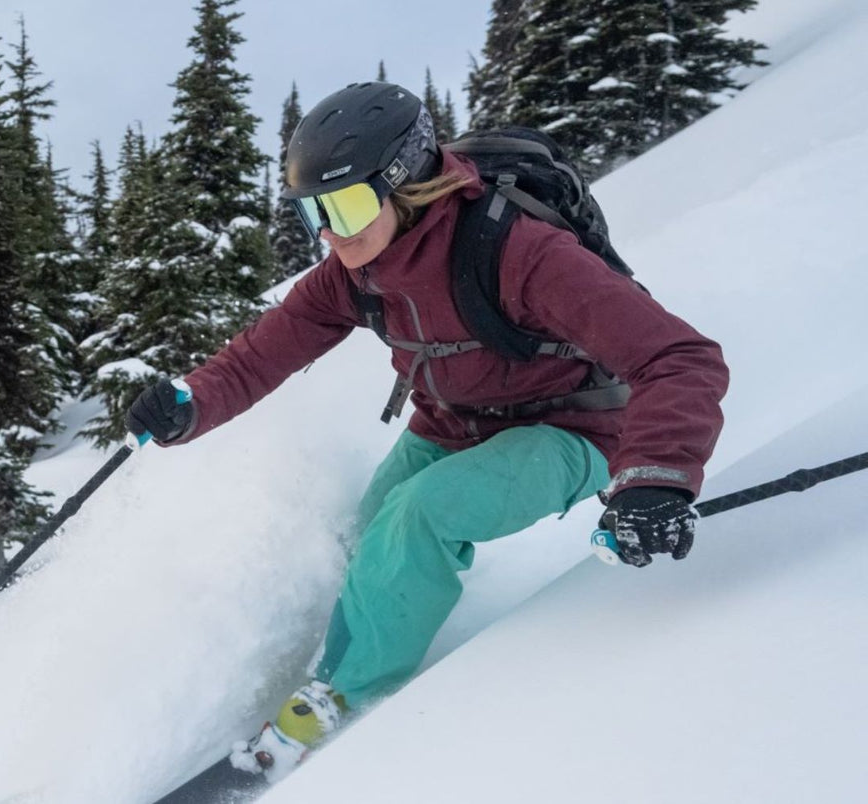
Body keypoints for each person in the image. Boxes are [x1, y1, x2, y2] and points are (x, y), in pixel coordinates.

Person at [124, 82, 728, 781]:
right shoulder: (355, 271)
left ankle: (341, 699)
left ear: (405, 183)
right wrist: (189, 403)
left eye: (347, 204)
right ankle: (351, 652)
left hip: (576, 427)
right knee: (373, 521)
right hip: (455, 423)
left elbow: (681, 358)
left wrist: (656, 477)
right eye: (312, 213)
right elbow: (264, 352)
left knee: (418, 516)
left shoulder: (518, 252)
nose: (332, 231)